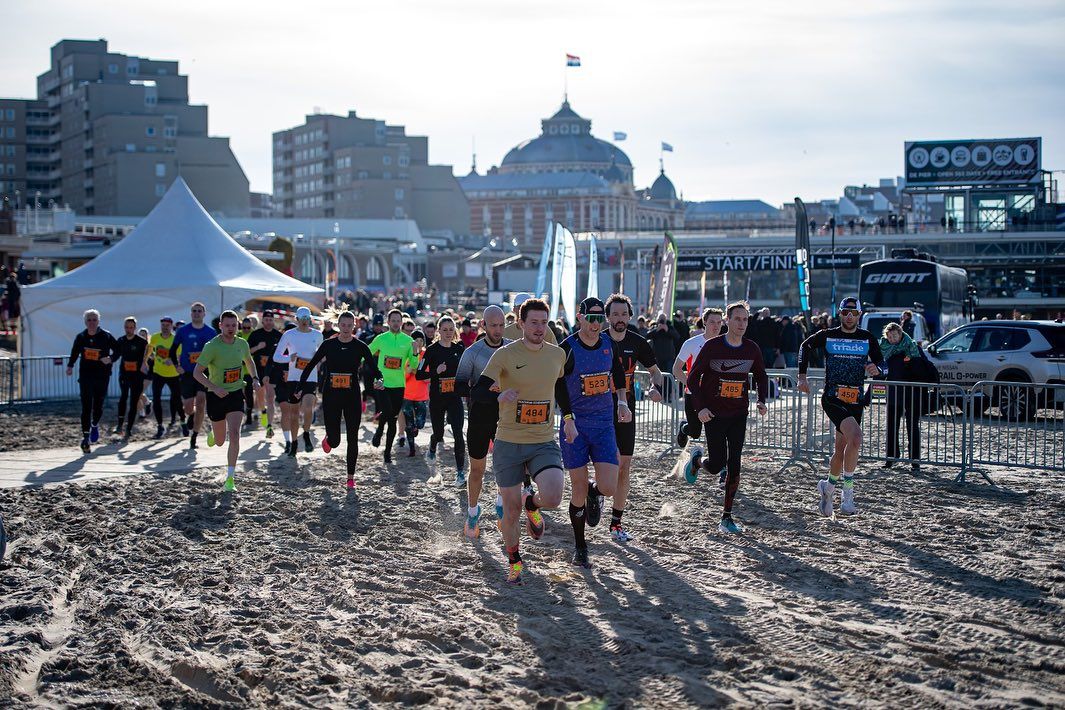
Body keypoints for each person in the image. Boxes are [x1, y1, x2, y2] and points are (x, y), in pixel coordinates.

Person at [471, 298, 567, 585]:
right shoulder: (504, 355)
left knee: (553, 495)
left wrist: (570, 417)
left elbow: (561, 387)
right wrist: (497, 395)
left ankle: (534, 505)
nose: (539, 328)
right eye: (533, 322)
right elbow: (478, 390)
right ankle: (514, 560)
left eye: (543, 322)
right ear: (521, 324)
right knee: (510, 510)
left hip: (542, 440)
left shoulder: (557, 355)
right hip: (509, 441)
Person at [556, 297, 630, 568]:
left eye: (601, 319)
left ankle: (593, 492)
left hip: (603, 424)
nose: (596, 324)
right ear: (580, 318)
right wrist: (567, 418)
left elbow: (618, 373)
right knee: (576, 489)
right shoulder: (568, 348)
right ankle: (580, 546)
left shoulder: (609, 345)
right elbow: (559, 385)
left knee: (609, 487)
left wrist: (621, 401)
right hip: (575, 425)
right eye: (592, 318)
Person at [682, 302, 769, 534]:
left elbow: (761, 376)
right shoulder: (711, 347)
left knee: (735, 463)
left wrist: (762, 400)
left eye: (745, 319)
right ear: (727, 321)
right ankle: (698, 462)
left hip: (739, 413)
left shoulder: (751, 349)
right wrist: (700, 408)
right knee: (717, 464)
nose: (741, 324)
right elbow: (692, 379)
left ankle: (726, 517)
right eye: (737, 319)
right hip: (714, 414)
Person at [797, 297, 884, 517]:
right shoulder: (828, 335)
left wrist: (877, 369)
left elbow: (883, 363)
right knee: (856, 438)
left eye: (853, 314)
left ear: (859, 315)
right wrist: (802, 376)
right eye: (845, 312)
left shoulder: (867, 338)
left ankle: (828, 487)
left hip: (855, 399)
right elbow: (804, 346)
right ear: (840, 314)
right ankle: (847, 498)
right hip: (832, 397)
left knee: (841, 449)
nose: (849, 317)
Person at [605, 293, 664, 542]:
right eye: (615, 314)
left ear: (630, 316)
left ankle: (616, 523)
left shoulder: (638, 342)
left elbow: (656, 372)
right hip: (598, 409)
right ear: (607, 317)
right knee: (602, 463)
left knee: (624, 465)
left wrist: (654, 387)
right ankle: (596, 492)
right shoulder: (597, 340)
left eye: (624, 314)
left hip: (625, 409)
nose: (620, 319)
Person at [299, 311, 378, 488]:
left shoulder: (360, 346)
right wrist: (299, 387)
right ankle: (329, 439)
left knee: (353, 436)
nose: (346, 329)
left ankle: (350, 477)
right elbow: (311, 365)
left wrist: (380, 380)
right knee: (335, 441)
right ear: (338, 325)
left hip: (352, 396)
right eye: (343, 325)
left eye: (350, 326)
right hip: (331, 396)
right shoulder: (329, 345)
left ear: (354, 326)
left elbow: (374, 369)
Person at [455, 305, 511, 538]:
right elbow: (459, 387)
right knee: (477, 469)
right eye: (493, 325)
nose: (498, 330)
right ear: (483, 325)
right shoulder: (473, 353)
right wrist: (490, 393)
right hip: (479, 417)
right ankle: (472, 512)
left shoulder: (512, 348)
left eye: (501, 325)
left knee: (504, 467)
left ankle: (500, 505)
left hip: (506, 417)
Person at [194, 310, 259, 492]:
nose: (231, 329)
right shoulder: (212, 346)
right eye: (227, 325)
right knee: (221, 441)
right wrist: (214, 387)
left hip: (236, 392)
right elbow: (197, 373)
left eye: (234, 325)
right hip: (216, 396)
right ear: (220, 326)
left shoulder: (242, 344)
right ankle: (214, 434)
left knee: (236, 434)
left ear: (238, 326)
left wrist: (254, 378)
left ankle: (230, 479)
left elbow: (249, 361)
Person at [417, 316, 467, 483]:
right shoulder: (431, 350)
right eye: (444, 330)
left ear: (455, 331)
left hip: (454, 398)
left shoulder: (460, 348)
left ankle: (460, 473)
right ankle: (432, 447)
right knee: (438, 434)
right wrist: (435, 372)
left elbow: (466, 371)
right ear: (438, 331)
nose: (448, 333)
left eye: (451, 330)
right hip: (438, 398)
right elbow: (419, 374)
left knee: (459, 434)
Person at [273, 307, 323, 458]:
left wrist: (318, 359)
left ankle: (306, 433)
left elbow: (323, 354)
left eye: (307, 320)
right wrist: (290, 358)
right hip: (294, 378)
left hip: (310, 378)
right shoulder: (289, 335)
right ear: (297, 320)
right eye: (302, 321)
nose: (304, 323)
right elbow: (276, 357)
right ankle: (294, 443)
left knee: (308, 407)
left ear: (310, 320)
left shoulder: (317, 335)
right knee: (293, 414)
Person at [67, 309, 118, 453]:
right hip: (86, 376)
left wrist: (111, 358)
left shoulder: (106, 336)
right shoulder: (81, 337)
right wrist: (70, 365)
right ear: (85, 322)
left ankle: (94, 424)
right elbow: (75, 352)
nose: (92, 322)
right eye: (89, 320)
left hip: (102, 376)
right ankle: (85, 438)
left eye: (94, 319)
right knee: (86, 406)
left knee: (98, 405)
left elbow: (118, 350)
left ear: (98, 321)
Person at [368, 308, 414, 464]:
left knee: (393, 419)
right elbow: (367, 353)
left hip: (399, 385)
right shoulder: (381, 338)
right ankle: (380, 430)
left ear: (401, 322)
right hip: (382, 383)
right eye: (392, 320)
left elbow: (413, 365)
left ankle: (387, 453)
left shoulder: (408, 341)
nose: (395, 323)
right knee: (387, 411)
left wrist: (414, 353)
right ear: (388, 322)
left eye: (398, 321)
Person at [674, 308, 724, 448]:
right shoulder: (691, 343)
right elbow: (676, 369)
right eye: (712, 322)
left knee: (716, 428)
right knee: (695, 432)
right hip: (694, 394)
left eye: (719, 322)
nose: (716, 326)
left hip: (715, 394)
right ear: (705, 323)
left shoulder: (725, 344)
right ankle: (684, 428)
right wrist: (690, 384)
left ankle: (718, 460)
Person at [173, 303, 217, 449]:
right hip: (187, 373)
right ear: (191, 314)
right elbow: (172, 350)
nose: (197, 313)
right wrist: (176, 366)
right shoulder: (183, 331)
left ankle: (194, 436)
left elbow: (217, 353)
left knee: (201, 402)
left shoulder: (211, 332)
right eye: (194, 311)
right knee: (187, 407)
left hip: (204, 373)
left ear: (204, 314)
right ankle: (190, 415)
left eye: (199, 311)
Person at [880, 322, 923, 472]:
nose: (892, 339)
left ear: (900, 333)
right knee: (891, 426)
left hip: (911, 392)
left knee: (912, 426)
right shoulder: (885, 349)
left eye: (895, 335)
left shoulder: (912, 347)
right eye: (889, 336)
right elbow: (880, 371)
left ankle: (915, 460)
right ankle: (891, 457)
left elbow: (921, 367)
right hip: (893, 393)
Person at [247, 310, 282, 438]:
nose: (268, 322)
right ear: (262, 321)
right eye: (266, 320)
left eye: (271, 320)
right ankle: (262, 411)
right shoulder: (256, 334)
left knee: (270, 398)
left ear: (273, 321)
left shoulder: (278, 335)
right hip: (259, 369)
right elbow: (247, 352)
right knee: (260, 395)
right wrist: (258, 347)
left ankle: (269, 425)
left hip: (273, 370)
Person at [144, 317, 181, 438]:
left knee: (175, 398)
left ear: (171, 326)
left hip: (173, 374)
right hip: (158, 372)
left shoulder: (175, 339)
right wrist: (145, 360)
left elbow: (180, 354)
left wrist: (174, 361)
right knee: (156, 399)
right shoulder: (155, 337)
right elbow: (150, 348)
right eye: (163, 325)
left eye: (167, 325)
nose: (165, 327)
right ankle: (160, 425)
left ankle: (178, 420)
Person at [114, 316, 148, 440]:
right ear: (124, 327)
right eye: (127, 327)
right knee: (123, 398)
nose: (129, 330)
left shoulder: (141, 342)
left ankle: (129, 429)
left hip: (137, 376)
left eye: (131, 327)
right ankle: (119, 425)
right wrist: (108, 359)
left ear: (135, 328)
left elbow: (147, 356)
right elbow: (116, 355)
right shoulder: (121, 340)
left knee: (134, 402)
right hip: (124, 374)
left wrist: (145, 364)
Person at [400, 330, 429, 457]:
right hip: (407, 395)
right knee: (409, 423)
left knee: (420, 423)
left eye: (421, 340)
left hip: (421, 396)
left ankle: (415, 429)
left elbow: (428, 378)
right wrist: (408, 371)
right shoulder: (406, 355)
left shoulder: (426, 356)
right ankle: (411, 448)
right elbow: (402, 376)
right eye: (416, 340)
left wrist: (416, 372)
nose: (418, 343)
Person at [646, 313, 679, 393]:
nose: (662, 321)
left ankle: (668, 394)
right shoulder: (654, 327)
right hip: (657, 357)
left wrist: (667, 330)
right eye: (660, 319)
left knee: (668, 376)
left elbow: (677, 337)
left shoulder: (670, 327)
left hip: (669, 357)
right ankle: (658, 393)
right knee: (657, 376)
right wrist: (657, 329)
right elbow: (647, 335)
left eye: (663, 319)